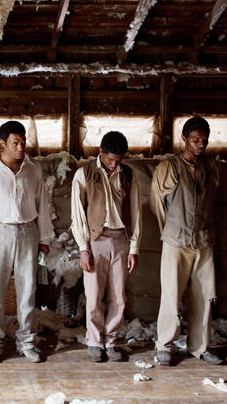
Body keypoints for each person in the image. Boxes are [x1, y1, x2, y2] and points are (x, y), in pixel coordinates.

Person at [0, 121, 53, 364]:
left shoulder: (33, 168)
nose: (20, 147)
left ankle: (26, 342)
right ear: (2, 142)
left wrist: (44, 239)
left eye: (23, 141)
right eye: (15, 142)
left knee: (27, 290)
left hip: (28, 232)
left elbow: (42, 205)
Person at [151, 116, 224, 366]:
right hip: (175, 241)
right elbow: (157, 204)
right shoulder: (169, 167)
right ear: (183, 138)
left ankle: (200, 347)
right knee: (171, 294)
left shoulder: (212, 167)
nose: (200, 144)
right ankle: (165, 345)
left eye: (204, 140)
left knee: (204, 295)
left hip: (204, 241)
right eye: (195, 139)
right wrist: (171, 231)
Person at [71, 131, 142, 363]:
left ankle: (111, 342)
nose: (114, 165)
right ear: (100, 152)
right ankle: (94, 341)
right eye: (110, 159)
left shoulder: (128, 174)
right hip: (96, 240)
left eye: (118, 161)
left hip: (121, 240)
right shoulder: (85, 174)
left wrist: (134, 248)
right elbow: (78, 214)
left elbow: (136, 213)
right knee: (93, 295)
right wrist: (84, 247)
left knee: (118, 296)